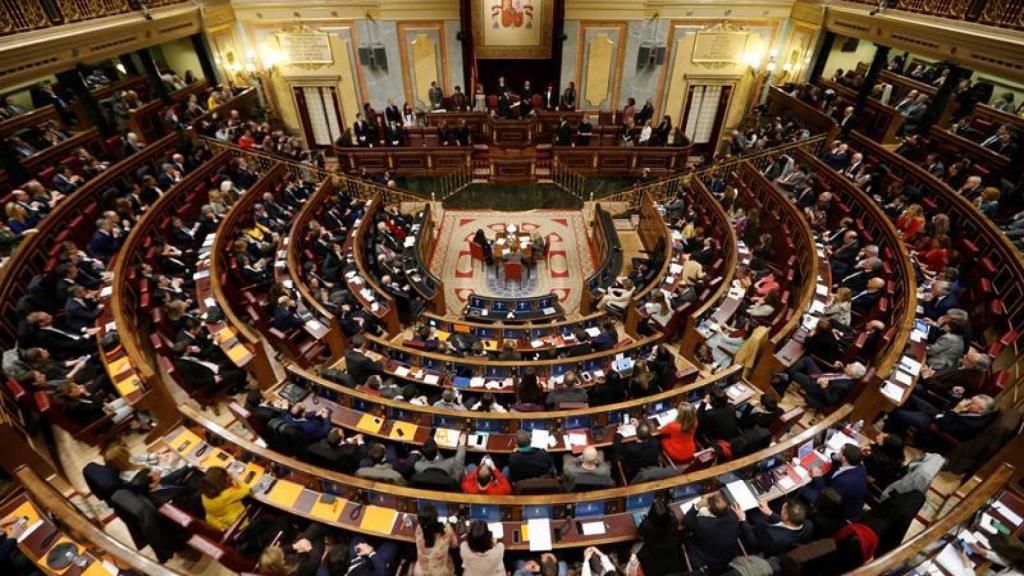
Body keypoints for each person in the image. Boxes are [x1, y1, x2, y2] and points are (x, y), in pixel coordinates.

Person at [883, 393, 997, 451]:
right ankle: (898, 430)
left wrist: (957, 410)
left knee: (898, 412)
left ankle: (889, 437)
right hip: (938, 414)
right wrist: (956, 395)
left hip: (934, 427)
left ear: (980, 410)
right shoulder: (973, 410)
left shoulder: (971, 424)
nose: (967, 402)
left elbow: (943, 425)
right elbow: (951, 407)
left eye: (972, 403)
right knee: (910, 397)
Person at [802, 443, 868, 520]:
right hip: (840, 495)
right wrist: (836, 456)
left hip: (836, 509)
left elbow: (826, 495)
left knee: (804, 488)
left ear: (844, 458)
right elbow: (836, 460)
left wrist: (818, 477)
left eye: (840, 452)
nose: (838, 452)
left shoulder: (844, 481)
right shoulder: (859, 466)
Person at [735, 498, 813, 555]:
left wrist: (743, 520)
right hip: (773, 536)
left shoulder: (772, 537)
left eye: (782, 510)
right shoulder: (809, 524)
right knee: (755, 514)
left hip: (757, 539)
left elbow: (754, 544)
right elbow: (787, 522)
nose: (780, 511)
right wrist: (770, 512)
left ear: (786, 517)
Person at [684, 492, 739, 573]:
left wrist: (698, 505)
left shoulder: (703, 523)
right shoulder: (733, 517)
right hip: (728, 558)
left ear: (708, 508)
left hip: (707, 561)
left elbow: (688, 519)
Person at [634, 498, 682, 576]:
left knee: (634, 548)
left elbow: (640, 532)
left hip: (653, 558)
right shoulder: (674, 521)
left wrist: (645, 520)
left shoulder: (647, 526)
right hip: (671, 556)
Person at [258, 524, 327, 576]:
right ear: (281, 562)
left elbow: (282, 550)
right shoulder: (296, 572)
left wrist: (295, 546)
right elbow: (315, 562)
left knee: (316, 527)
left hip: (300, 552)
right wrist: (308, 549)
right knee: (319, 530)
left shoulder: (276, 559)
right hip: (312, 557)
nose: (282, 550)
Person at [200, 466, 250, 531]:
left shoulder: (204, 493)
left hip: (217, 523)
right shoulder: (226, 495)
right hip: (237, 524)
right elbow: (247, 490)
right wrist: (234, 479)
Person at [413, 504, 458, 576]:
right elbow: (454, 545)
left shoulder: (418, 530)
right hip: (441, 573)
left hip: (421, 572)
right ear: (436, 518)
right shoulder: (447, 529)